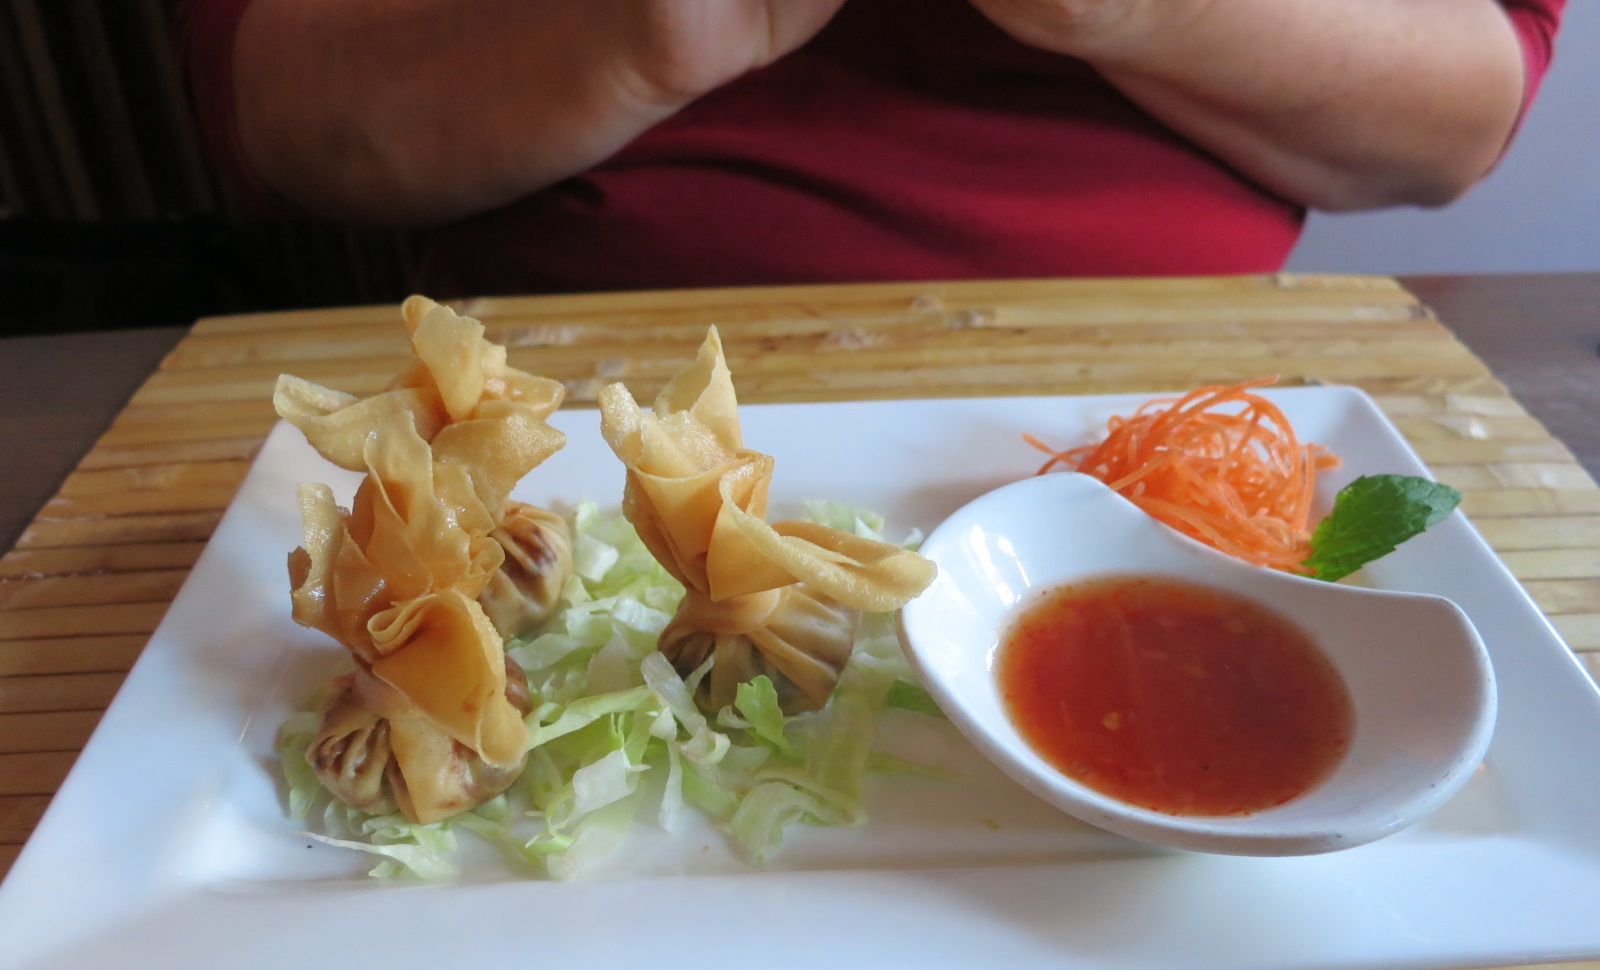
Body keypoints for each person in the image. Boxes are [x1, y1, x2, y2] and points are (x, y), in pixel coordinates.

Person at [177, 0, 1566, 298]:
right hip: (562, 396)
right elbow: (283, 126)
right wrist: (637, 37)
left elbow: (1450, 131)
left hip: (1169, 406)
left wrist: (1143, 12)